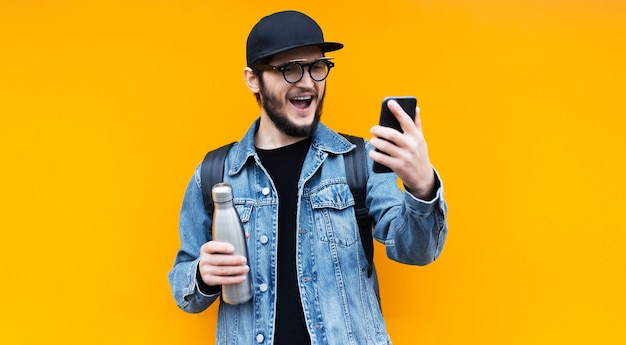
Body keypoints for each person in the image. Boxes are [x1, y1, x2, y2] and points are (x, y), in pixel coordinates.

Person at [168, 10, 448, 345]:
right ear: (253, 79)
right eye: (289, 69)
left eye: (317, 67)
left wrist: (421, 187)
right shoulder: (215, 173)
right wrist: (202, 275)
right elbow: (183, 288)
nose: (307, 82)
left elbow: (416, 250)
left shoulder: (358, 160)